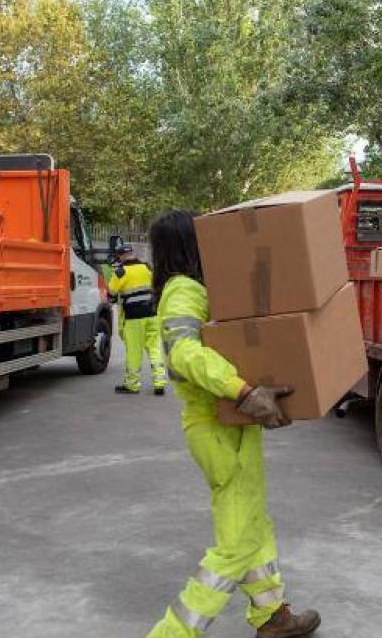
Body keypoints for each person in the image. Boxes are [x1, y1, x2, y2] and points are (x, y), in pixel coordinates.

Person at [143, 210, 320, 638]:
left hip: (232, 427)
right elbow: (183, 354)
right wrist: (242, 391)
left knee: (253, 523)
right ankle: (171, 634)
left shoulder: (195, 289)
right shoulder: (183, 291)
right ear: (191, 245)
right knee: (236, 544)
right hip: (216, 427)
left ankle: (271, 615)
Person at [104, 242, 168, 395]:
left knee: (134, 351)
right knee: (155, 348)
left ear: (121, 257)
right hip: (152, 314)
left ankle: (132, 385)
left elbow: (112, 293)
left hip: (134, 318)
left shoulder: (121, 272)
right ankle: (159, 383)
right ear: (133, 253)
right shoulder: (147, 267)